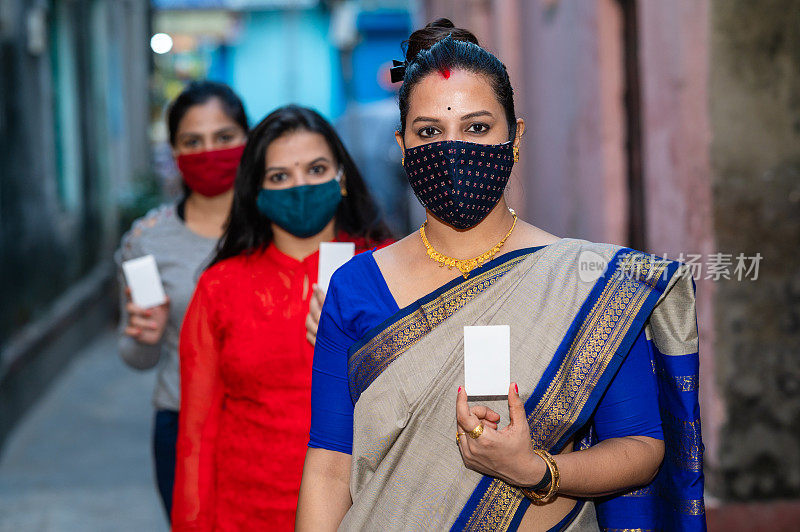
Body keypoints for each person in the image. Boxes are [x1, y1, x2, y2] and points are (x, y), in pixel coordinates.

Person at [296, 19, 705, 532]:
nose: (452, 149)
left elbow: (639, 446)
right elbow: (331, 466)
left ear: (515, 136)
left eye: (476, 127)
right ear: (402, 147)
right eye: (429, 132)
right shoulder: (355, 287)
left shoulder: (588, 282)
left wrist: (535, 470)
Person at [171, 105, 392, 531]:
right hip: (243, 515)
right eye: (279, 177)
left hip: (363, 513)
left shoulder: (390, 268)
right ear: (255, 190)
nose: (300, 186)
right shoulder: (219, 287)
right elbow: (196, 434)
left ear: (341, 177)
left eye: (316, 169)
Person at [116, 81, 248, 520]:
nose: (209, 152)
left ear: (248, 140)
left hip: (270, 419)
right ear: (174, 152)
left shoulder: (283, 228)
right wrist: (143, 335)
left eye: (224, 138)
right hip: (180, 423)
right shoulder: (147, 241)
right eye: (193, 142)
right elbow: (137, 356)